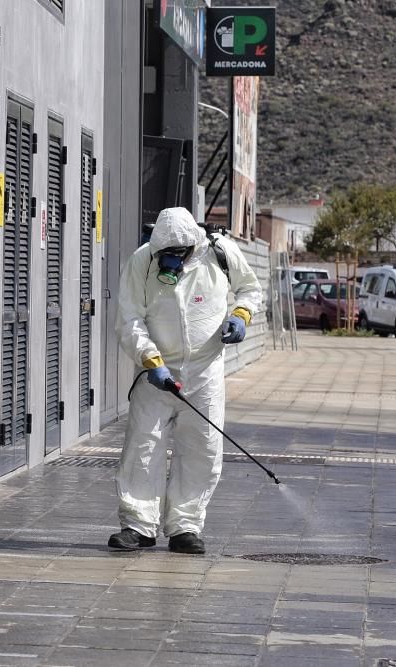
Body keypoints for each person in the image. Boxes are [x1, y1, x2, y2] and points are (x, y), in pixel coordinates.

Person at [110, 207, 262, 554]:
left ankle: (185, 526)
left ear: (194, 246)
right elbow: (129, 317)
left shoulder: (220, 253)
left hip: (205, 371)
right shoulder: (141, 262)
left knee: (201, 447)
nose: (171, 262)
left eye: (178, 255)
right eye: (165, 255)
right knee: (143, 446)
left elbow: (250, 289)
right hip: (156, 372)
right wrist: (151, 360)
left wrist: (240, 316)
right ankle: (138, 525)